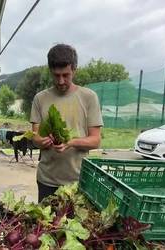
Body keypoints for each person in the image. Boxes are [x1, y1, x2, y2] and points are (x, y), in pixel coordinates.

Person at [30, 44, 103, 202]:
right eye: (56, 75)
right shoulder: (40, 98)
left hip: (78, 181)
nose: (61, 81)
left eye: (66, 75)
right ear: (50, 71)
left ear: (74, 70)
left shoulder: (89, 97)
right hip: (47, 180)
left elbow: (96, 140)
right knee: (46, 226)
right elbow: (34, 137)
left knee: (74, 226)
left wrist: (70, 142)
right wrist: (41, 141)